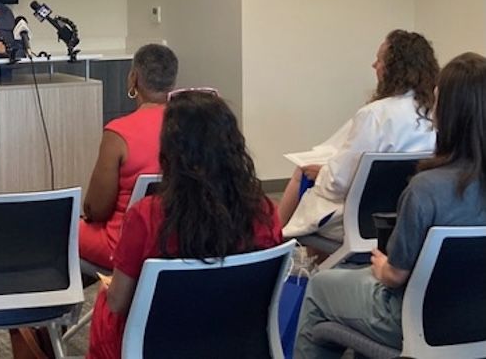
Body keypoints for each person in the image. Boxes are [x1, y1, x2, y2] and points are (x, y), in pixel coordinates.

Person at [294, 52, 486, 358]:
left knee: (320, 287)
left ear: (449, 113)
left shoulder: (425, 189)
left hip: (414, 320)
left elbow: (395, 275)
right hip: (476, 317)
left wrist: (383, 267)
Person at [87, 90, 283, 359]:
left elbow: (118, 303)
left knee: (105, 300)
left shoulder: (146, 216)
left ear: (170, 150)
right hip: (236, 344)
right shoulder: (265, 211)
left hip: (157, 347)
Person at [280, 30, 439, 240]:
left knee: (307, 181)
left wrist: (323, 173)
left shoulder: (374, 115)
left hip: (361, 223)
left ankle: (271, 242)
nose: (374, 66)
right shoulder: (438, 113)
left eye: (379, 60)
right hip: (413, 219)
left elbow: (338, 184)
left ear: (394, 69)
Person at [80, 43, 178, 269]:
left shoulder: (119, 133)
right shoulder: (189, 125)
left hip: (122, 244)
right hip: (176, 238)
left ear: (133, 78)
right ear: (172, 82)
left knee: (60, 228)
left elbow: (97, 209)